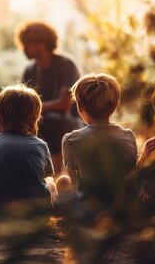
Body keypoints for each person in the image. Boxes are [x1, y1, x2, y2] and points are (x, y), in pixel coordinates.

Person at [57, 73, 137, 206]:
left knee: (62, 182)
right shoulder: (128, 135)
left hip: (88, 208)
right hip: (123, 205)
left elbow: (75, 182)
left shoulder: (71, 139)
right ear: (115, 105)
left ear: (80, 107)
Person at [0, 84, 54, 220]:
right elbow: (45, 175)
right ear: (34, 117)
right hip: (32, 220)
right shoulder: (39, 145)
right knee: (50, 181)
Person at [16, 20, 82, 174]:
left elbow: (64, 105)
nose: (23, 48)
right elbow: (21, 103)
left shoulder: (66, 65)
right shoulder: (30, 69)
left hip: (68, 121)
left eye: (26, 43)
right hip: (40, 118)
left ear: (41, 42)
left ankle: (56, 175)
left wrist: (32, 107)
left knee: (53, 120)